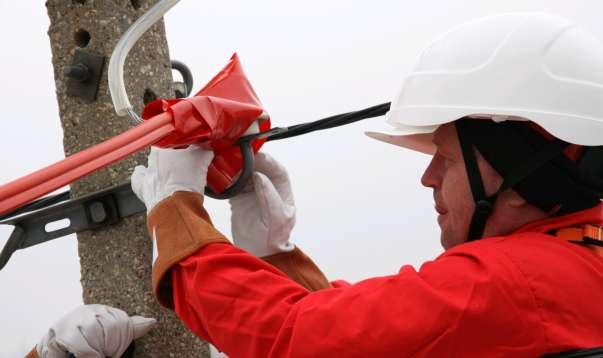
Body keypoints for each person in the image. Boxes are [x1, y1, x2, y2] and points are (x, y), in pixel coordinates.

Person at [32, 12, 603, 357]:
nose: (428, 176)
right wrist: (272, 255)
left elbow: (295, 343)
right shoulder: (571, 270)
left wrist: (176, 214)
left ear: (523, 169)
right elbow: (363, 340)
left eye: (447, 161)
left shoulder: (513, 284)